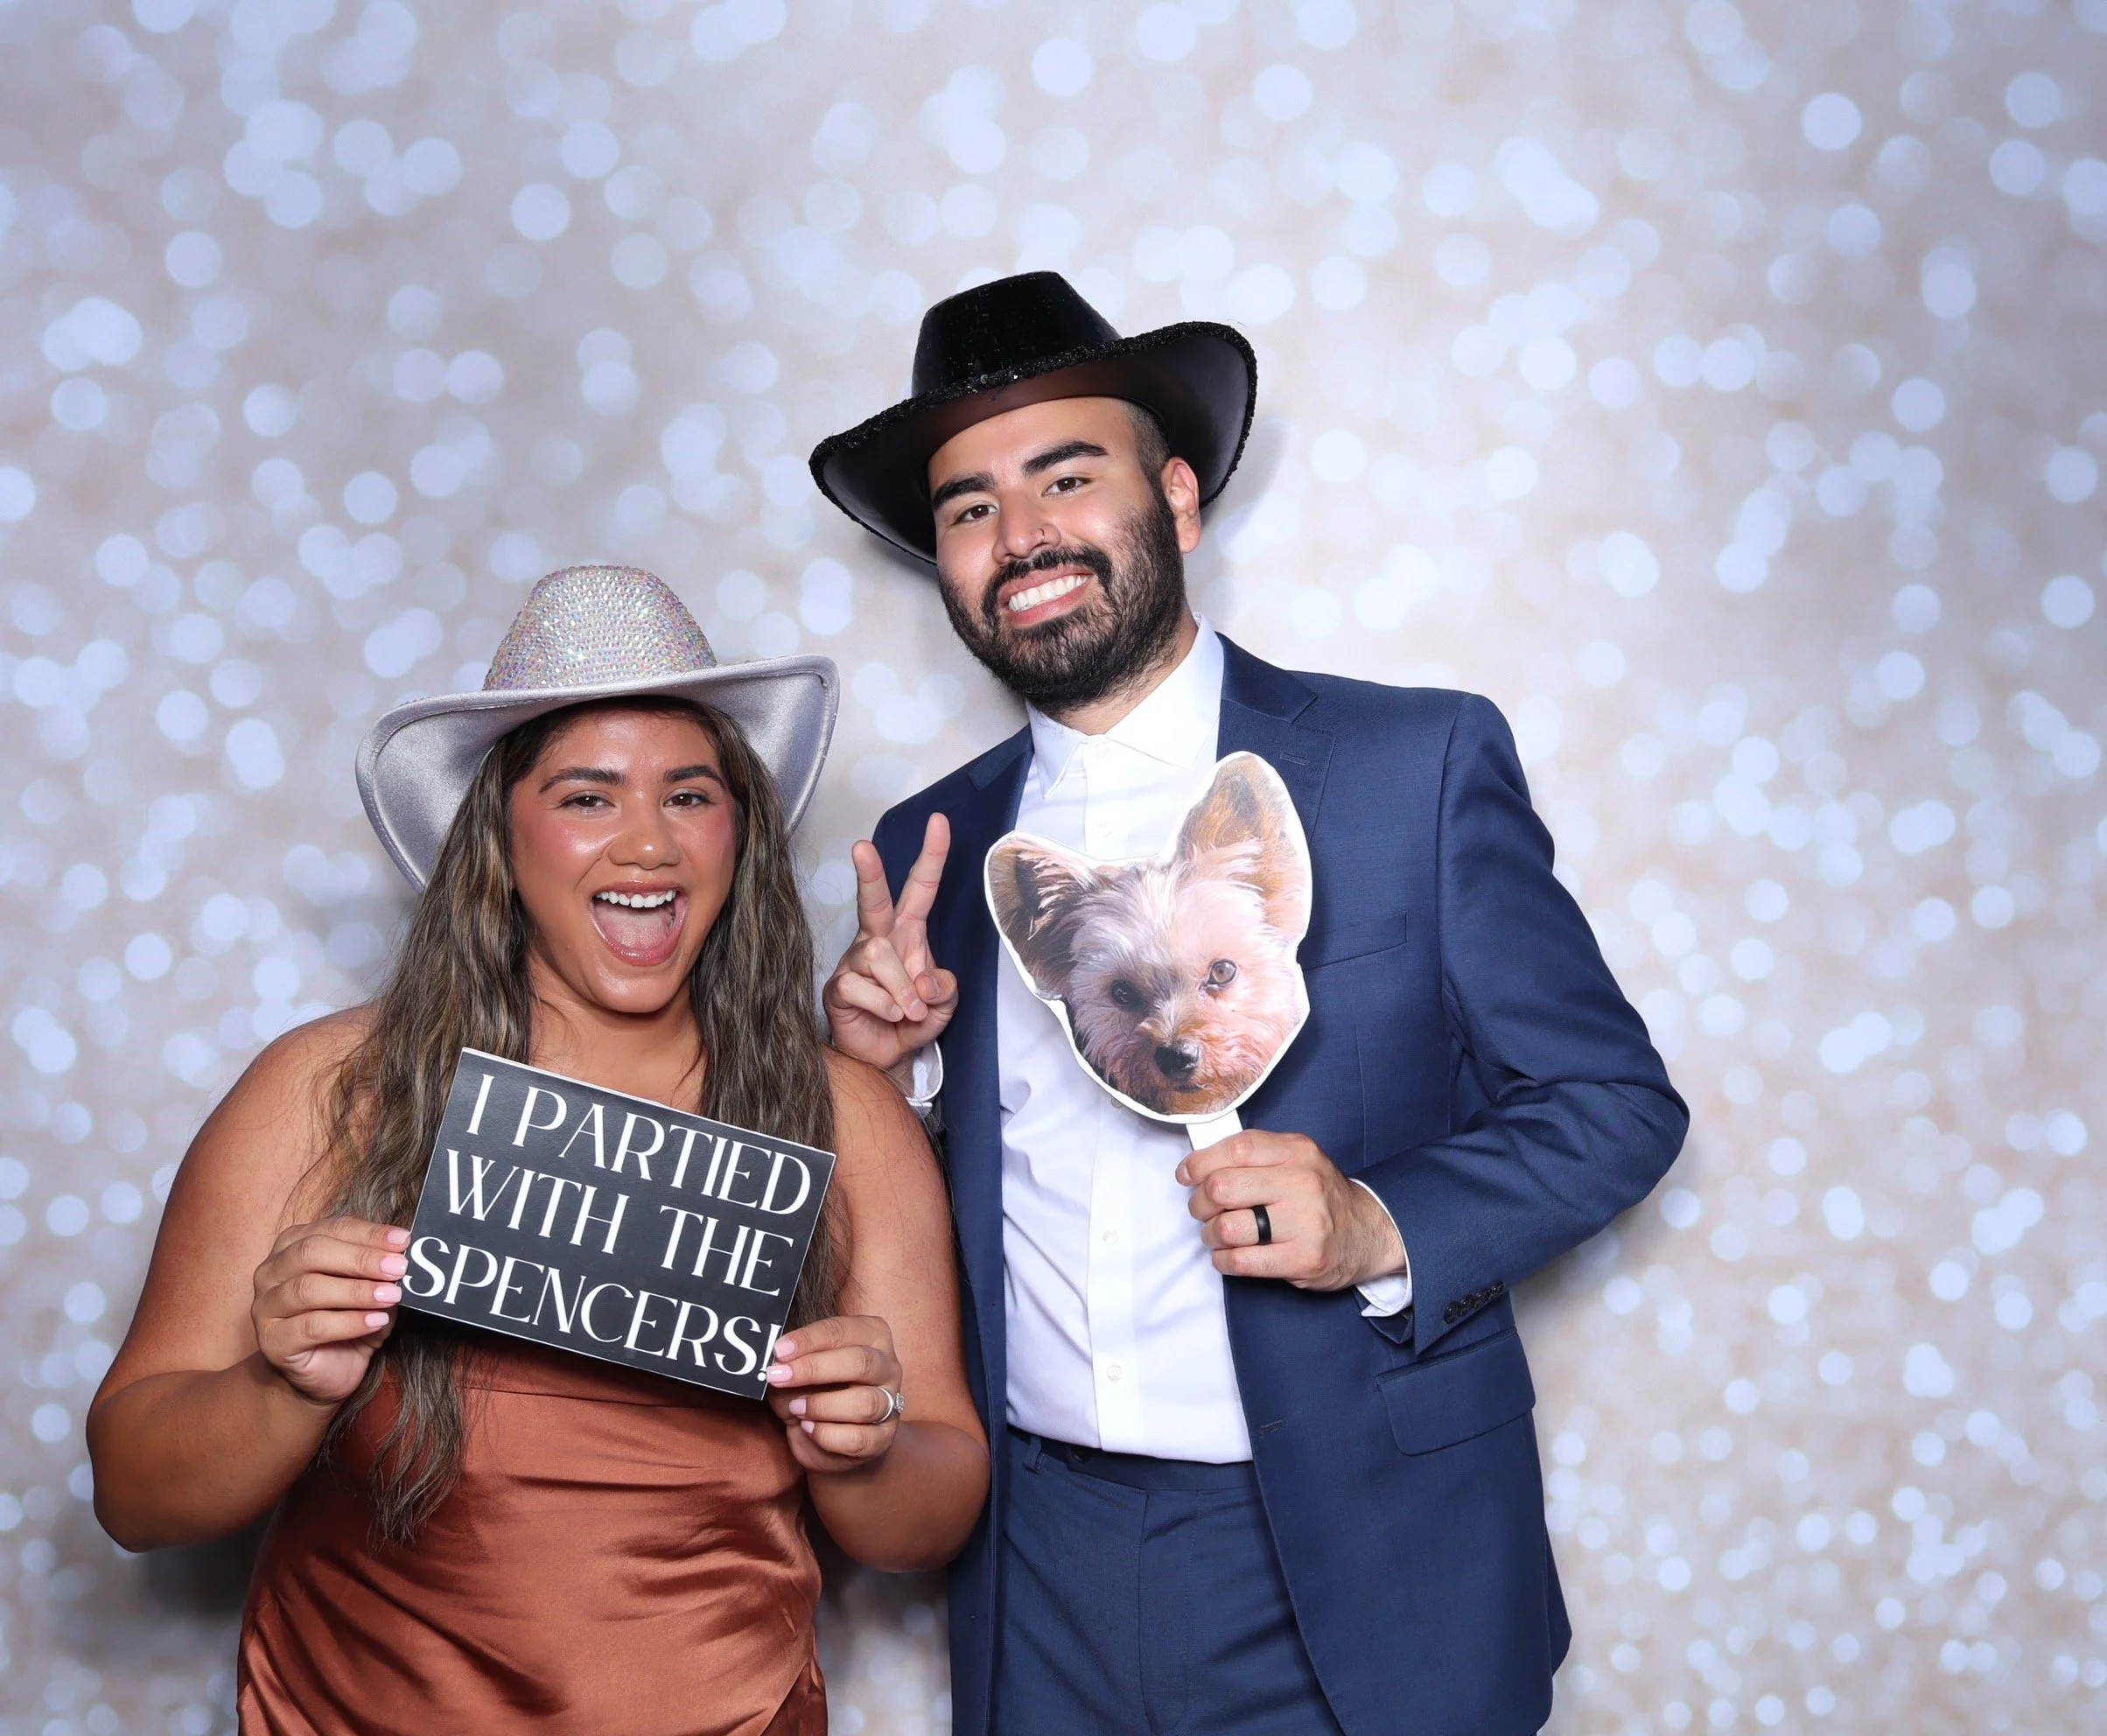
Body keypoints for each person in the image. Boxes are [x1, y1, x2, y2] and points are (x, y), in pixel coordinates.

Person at [808, 273, 1689, 1736]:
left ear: (1177, 500)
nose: (1019, 535)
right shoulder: (925, 850)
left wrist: (1377, 1222)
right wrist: (878, 1078)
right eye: (968, 508)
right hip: (1039, 1561)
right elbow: (943, 1205)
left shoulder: (1413, 766)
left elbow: (1614, 1109)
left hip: (1356, 1555)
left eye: (1065, 477)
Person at [88, 566, 989, 1736]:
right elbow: (133, 1494)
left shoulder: (845, 1120)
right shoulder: (329, 1092)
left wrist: (860, 1448)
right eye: (588, 797)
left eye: (690, 794)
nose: (648, 844)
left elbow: (935, 1516)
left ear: (741, 832)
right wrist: (279, 1386)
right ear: (500, 843)